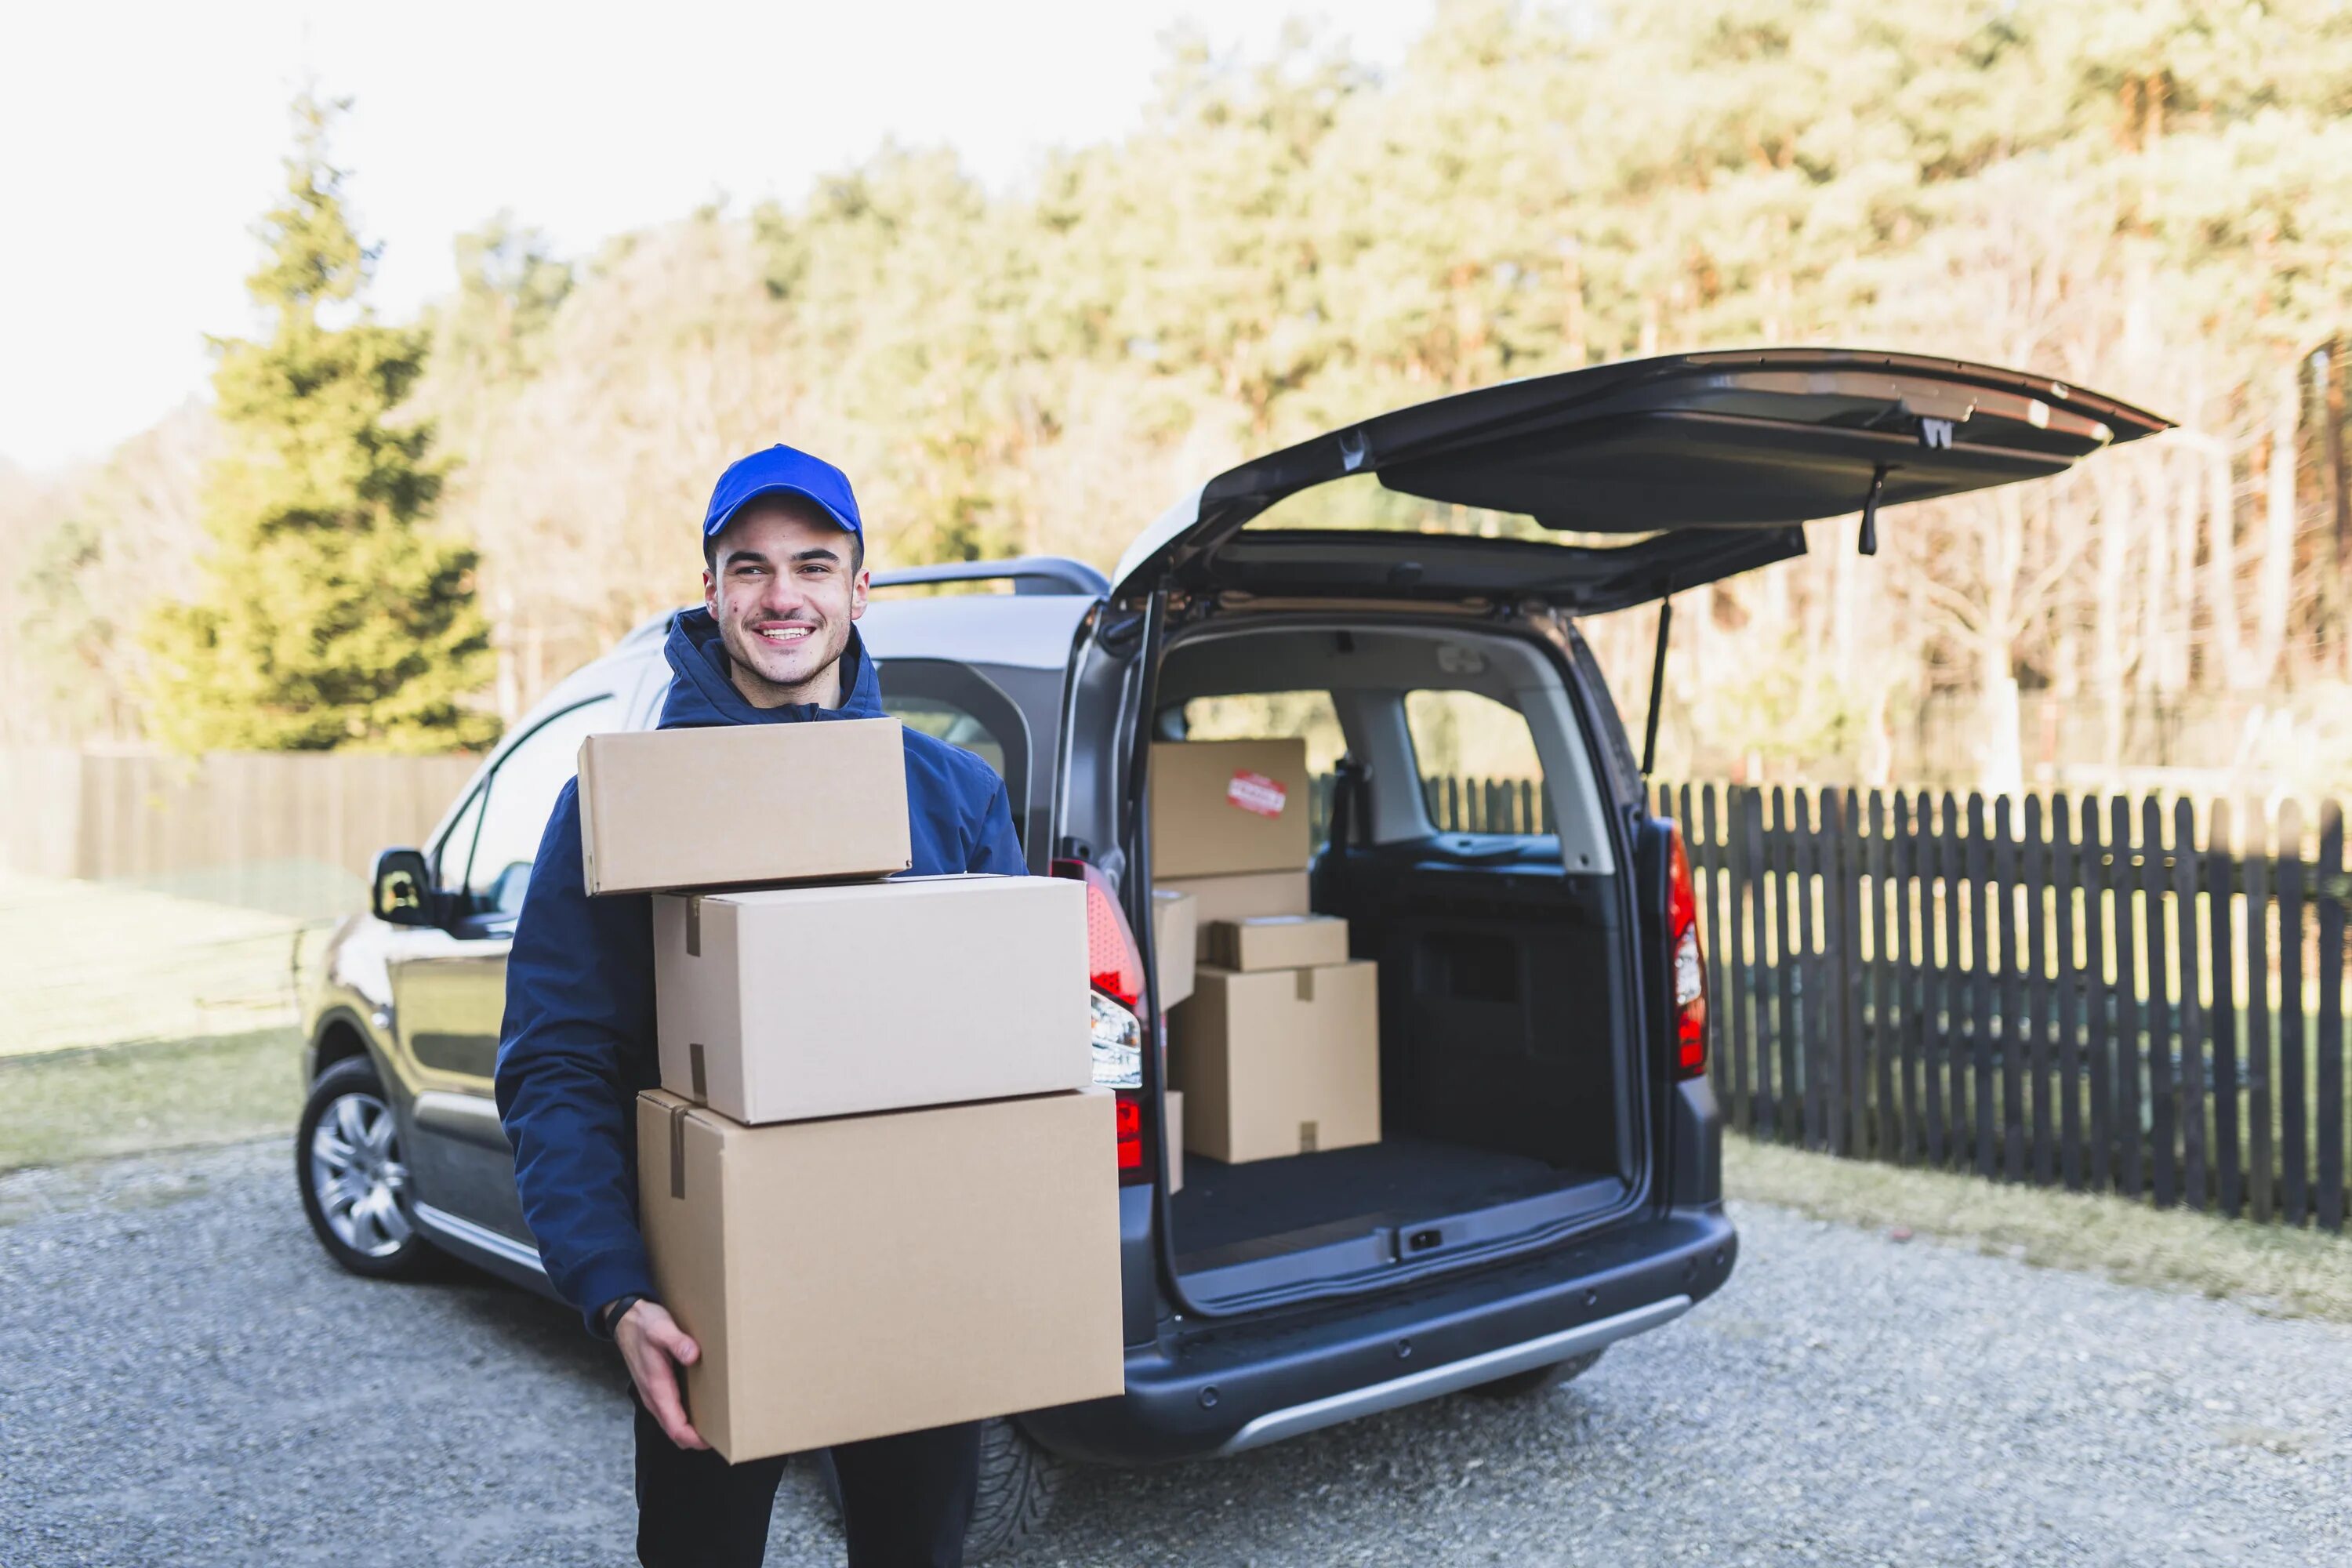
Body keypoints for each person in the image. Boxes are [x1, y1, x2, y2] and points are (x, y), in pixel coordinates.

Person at [495, 444, 1026, 1568]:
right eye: (750, 568)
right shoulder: (619, 802)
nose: (782, 596)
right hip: (705, 1296)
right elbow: (557, 1063)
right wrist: (613, 1290)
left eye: (813, 565)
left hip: (911, 1277)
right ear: (711, 591)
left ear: (859, 589)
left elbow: (1008, 1064)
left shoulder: (954, 794)